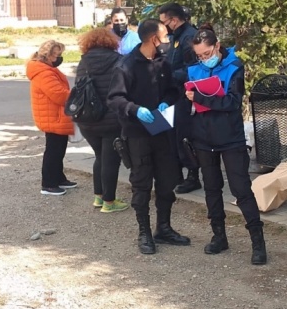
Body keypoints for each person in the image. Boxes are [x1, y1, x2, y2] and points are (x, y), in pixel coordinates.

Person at [107, 18, 191, 255]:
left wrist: (166, 101)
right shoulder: (126, 66)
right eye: (164, 37)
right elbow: (114, 98)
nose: (167, 41)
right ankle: (144, 232)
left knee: (167, 181)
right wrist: (135, 110)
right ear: (153, 39)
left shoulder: (162, 63)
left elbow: (173, 90)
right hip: (137, 135)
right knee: (141, 184)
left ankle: (163, 228)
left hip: (162, 131)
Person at [185, 24, 267, 265]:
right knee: (211, 187)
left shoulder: (234, 67)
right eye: (199, 56)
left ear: (217, 46)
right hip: (203, 138)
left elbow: (232, 102)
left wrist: (199, 97)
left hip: (230, 137)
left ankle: (258, 242)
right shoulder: (194, 70)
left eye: (207, 54)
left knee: (241, 189)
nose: (203, 60)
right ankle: (219, 236)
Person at [75, 28, 129, 213]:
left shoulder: (83, 62)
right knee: (111, 160)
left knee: (99, 157)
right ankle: (109, 201)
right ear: (111, 42)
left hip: (87, 118)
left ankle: (98, 196)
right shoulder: (118, 61)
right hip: (111, 120)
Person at [158, 2, 201, 193]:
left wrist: (168, 76)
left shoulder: (189, 37)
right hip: (171, 93)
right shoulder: (175, 36)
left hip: (184, 95)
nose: (163, 26)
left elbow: (193, 69)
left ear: (174, 20)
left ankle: (193, 175)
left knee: (184, 136)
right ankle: (175, 174)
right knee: (168, 134)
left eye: (164, 22)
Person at [26, 40, 77, 196]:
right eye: (57, 55)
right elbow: (59, 95)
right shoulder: (44, 72)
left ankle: (58, 178)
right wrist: (77, 94)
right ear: (49, 56)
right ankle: (48, 183)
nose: (59, 58)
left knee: (58, 149)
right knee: (54, 150)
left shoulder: (43, 69)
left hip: (53, 115)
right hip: (52, 116)